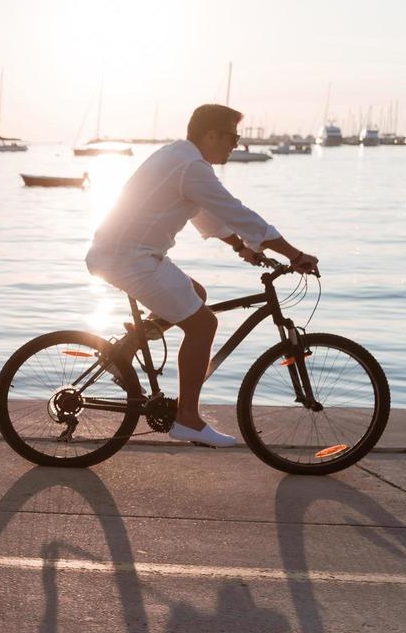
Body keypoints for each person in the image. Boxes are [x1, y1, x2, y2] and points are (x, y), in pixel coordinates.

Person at [85, 104, 319, 447]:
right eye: (233, 137)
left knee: (197, 294)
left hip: (130, 254)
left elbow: (205, 214)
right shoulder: (191, 166)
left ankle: (121, 355)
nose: (236, 145)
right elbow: (237, 212)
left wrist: (242, 247)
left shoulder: (181, 158)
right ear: (210, 135)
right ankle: (188, 420)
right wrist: (294, 254)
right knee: (204, 324)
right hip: (128, 258)